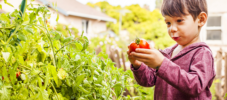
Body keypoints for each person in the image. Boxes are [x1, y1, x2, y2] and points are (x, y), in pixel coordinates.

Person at [127, 0, 216, 100]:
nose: (172, 28)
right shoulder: (167, 53)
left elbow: (195, 86)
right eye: (168, 23)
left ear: (201, 19)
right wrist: (138, 65)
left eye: (179, 21)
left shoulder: (202, 53)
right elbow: (148, 80)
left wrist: (162, 64)